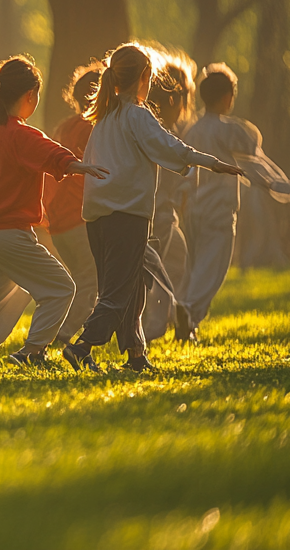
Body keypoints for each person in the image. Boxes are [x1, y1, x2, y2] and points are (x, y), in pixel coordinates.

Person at [62, 45, 241, 373]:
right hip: (127, 217)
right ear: (144, 78)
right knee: (119, 291)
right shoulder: (136, 115)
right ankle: (81, 346)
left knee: (129, 288)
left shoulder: (105, 118)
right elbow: (171, 148)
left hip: (99, 218)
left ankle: (136, 356)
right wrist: (213, 163)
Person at [0, 56, 107, 369]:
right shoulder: (20, 134)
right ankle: (32, 352)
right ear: (30, 97)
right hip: (12, 234)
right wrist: (79, 165)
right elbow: (51, 154)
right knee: (63, 287)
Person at [176, 63, 290, 339]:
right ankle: (189, 313)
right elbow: (256, 166)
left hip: (193, 211)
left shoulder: (193, 131)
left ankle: (184, 313)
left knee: (196, 266)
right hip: (219, 211)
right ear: (226, 98)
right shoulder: (230, 131)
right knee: (214, 269)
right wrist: (285, 189)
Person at [140, 54, 196, 342]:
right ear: (174, 100)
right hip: (157, 215)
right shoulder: (160, 132)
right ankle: (150, 329)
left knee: (178, 260)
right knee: (154, 273)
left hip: (165, 214)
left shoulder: (153, 128)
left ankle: (181, 316)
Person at [48, 63, 104, 346]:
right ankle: (61, 337)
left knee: (75, 282)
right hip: (78, 217)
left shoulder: (64, 126)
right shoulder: (92, 129)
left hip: (58, 220)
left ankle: (54, 332)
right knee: (89, 282)